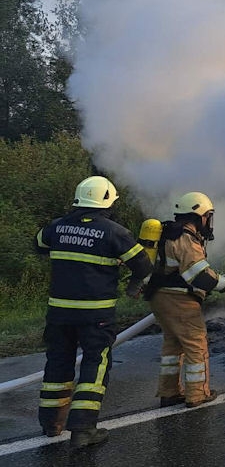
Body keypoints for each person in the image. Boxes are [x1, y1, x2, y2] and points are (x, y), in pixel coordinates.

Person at [35, 176, 153, 449]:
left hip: (59, 312)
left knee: (57, 363)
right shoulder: (115, 232)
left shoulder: (56, 227)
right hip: (95, 316)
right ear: (106, 202)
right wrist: (132, 281)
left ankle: (51, 424)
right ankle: (83, 430)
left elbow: (39, 244)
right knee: (94, 366)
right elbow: (143, 266)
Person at [137, 192, 225, 408]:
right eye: (208, 216)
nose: (209, 222)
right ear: (198, 216)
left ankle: (169, 392)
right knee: (196, 343)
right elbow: (201, 276)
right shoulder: (185, 238)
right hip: (178, 299)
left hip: (159, 297)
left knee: (173, 344)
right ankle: (197, 394)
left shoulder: (168, 232)